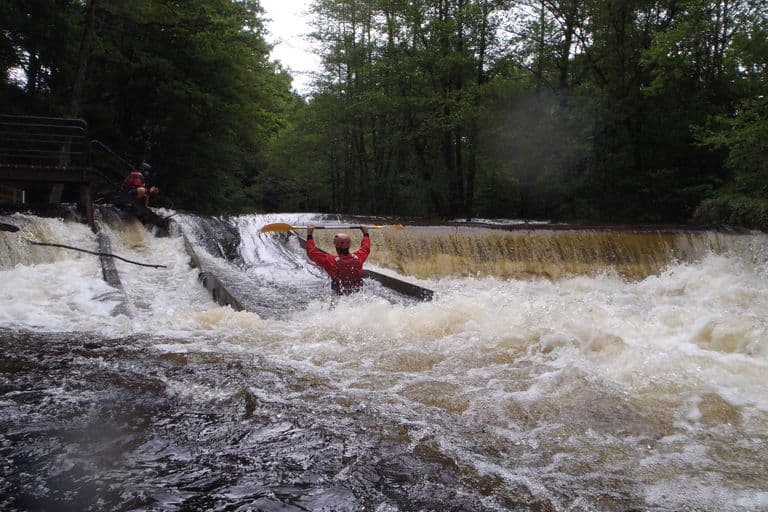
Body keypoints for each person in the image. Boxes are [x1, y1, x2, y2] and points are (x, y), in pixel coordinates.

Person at [306, 225, 370, 295]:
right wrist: (365, 234)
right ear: (349, 245)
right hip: (358, 293)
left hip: (338, 294)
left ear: (336, 245)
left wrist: (309, 235)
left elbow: (311, 253)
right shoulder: (359, 257)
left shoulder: (330, 260)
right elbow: (366, 247)